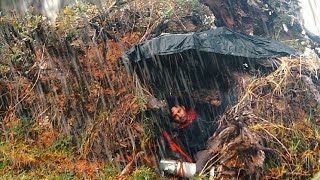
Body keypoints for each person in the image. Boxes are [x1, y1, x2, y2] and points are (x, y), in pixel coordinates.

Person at [159, 103, 217, 177]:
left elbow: (214, 123)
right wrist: (209, 146)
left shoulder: (200, 111)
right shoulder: (181, 132)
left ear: (183, 107)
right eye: (175, 116)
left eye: (179, 111)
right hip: (201, 151)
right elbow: (193, 147)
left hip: (217, 137)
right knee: (203, 159)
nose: (179, 116)